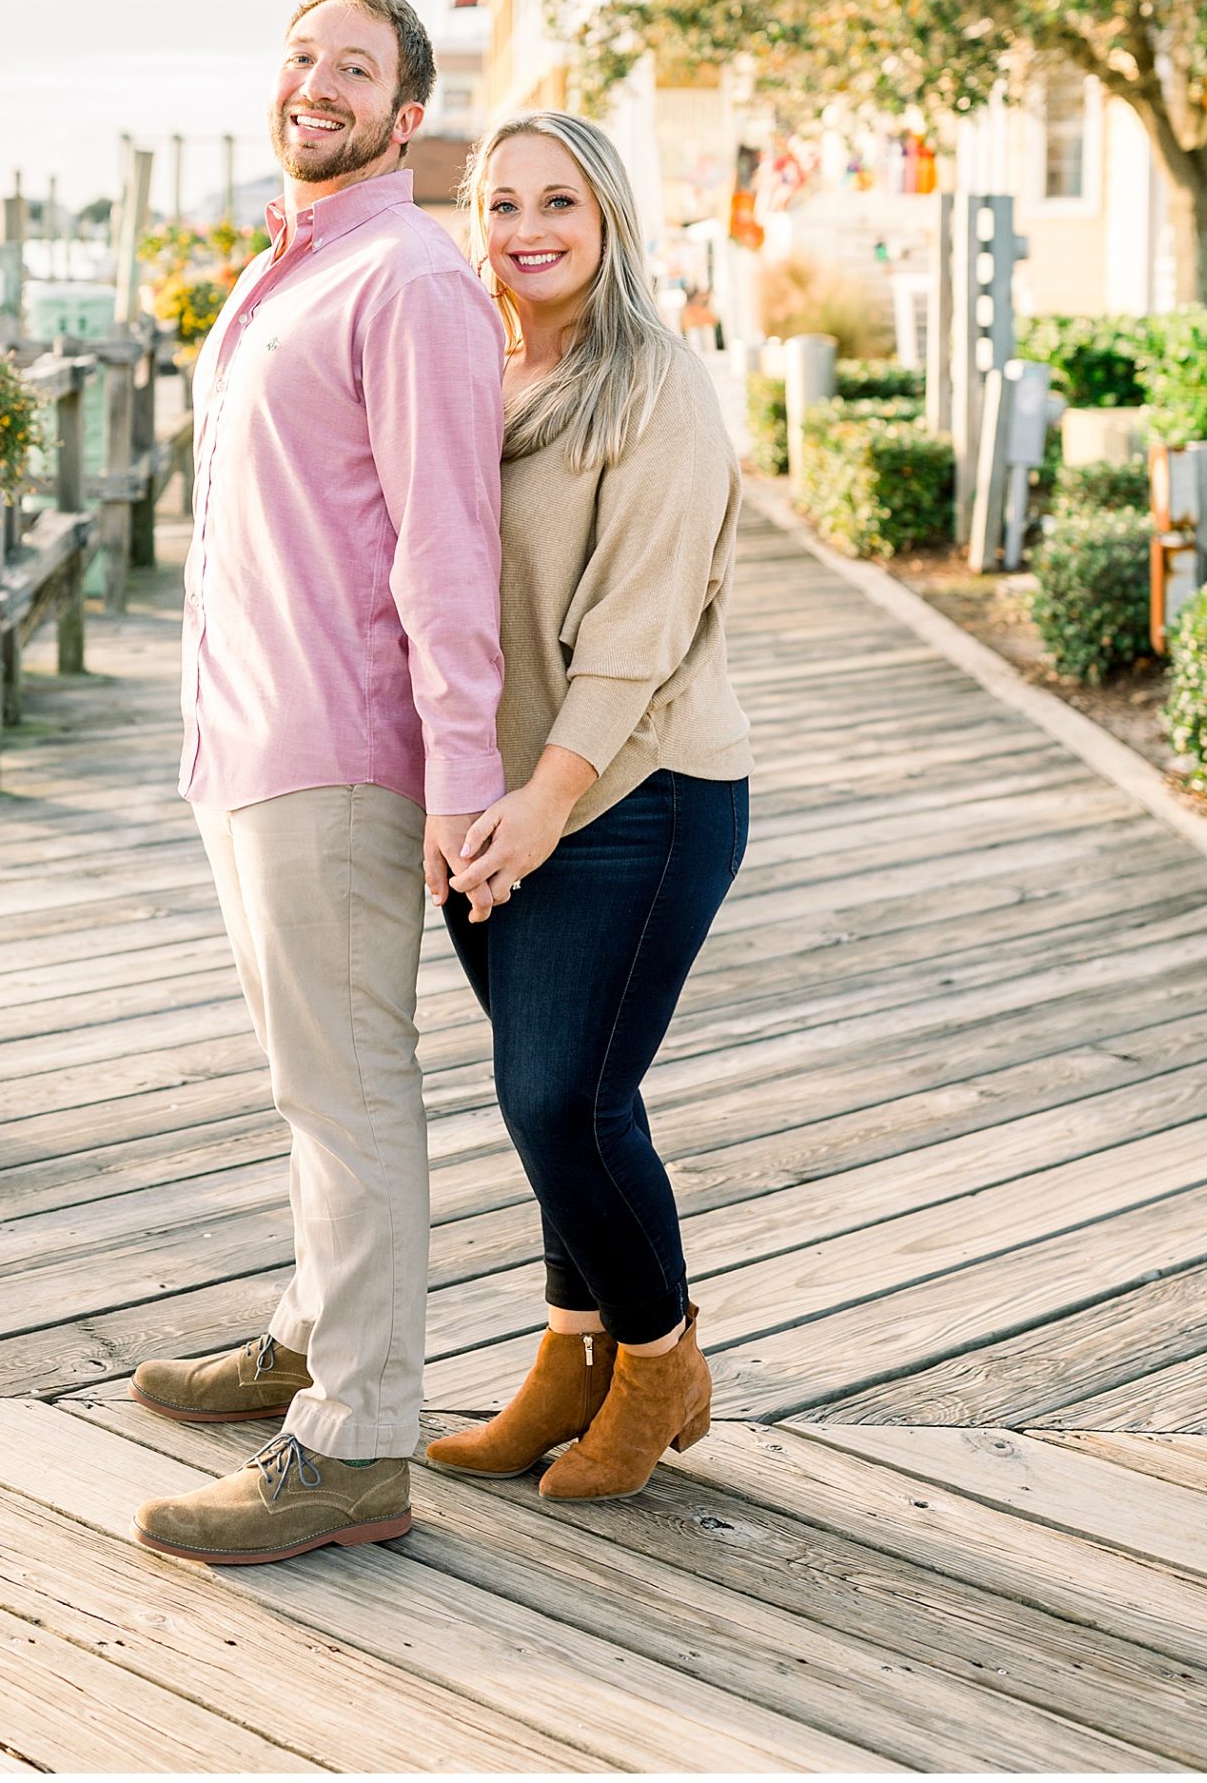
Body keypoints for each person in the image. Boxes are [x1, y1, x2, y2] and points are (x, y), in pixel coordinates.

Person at [129, 0, 506, 1567]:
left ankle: (356, 1438)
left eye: (352, 67)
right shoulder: (297, 262)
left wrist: (459, 770)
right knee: (308, 1080)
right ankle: (309, 1330)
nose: (315, 83)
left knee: (351, 1093)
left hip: (341, 747)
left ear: (406, 116)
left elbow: (445, 544)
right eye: (299, 58)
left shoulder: (410, 277)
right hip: (248, 737)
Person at [427, 109, 752, 1503]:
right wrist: (453, 797)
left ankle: (659, 1359)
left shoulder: (653, 384)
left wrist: (548, 799)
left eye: (556, 201)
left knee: (567, 1097)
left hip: (638, 789)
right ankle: (568, 1360)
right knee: (532, 1100)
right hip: (490, 801)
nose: (526, 230)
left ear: (608, 215)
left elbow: (639, 627)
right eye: (502, 205)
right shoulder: (473, 374)